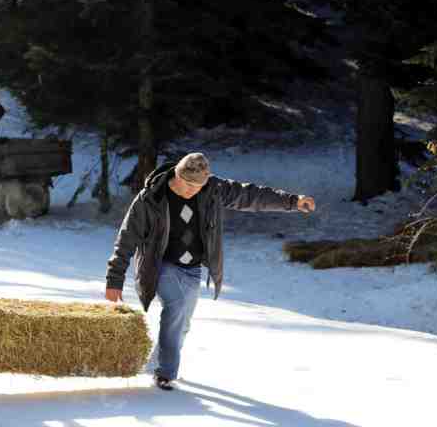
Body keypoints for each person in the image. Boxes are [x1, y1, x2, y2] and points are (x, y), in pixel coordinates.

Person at [105, 152, 316, 391]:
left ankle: (156, 361)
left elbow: (249, 195)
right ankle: (165, 373)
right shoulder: (150, 199)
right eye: (188, 185)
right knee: (175, 307)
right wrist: (114, 279)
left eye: (198, 186)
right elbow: (126, 240)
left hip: (192, 268)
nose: (192, 190)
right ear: (177, 174)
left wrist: (293, 201)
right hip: (160, 266)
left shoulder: (212, 190)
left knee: (182, 323)